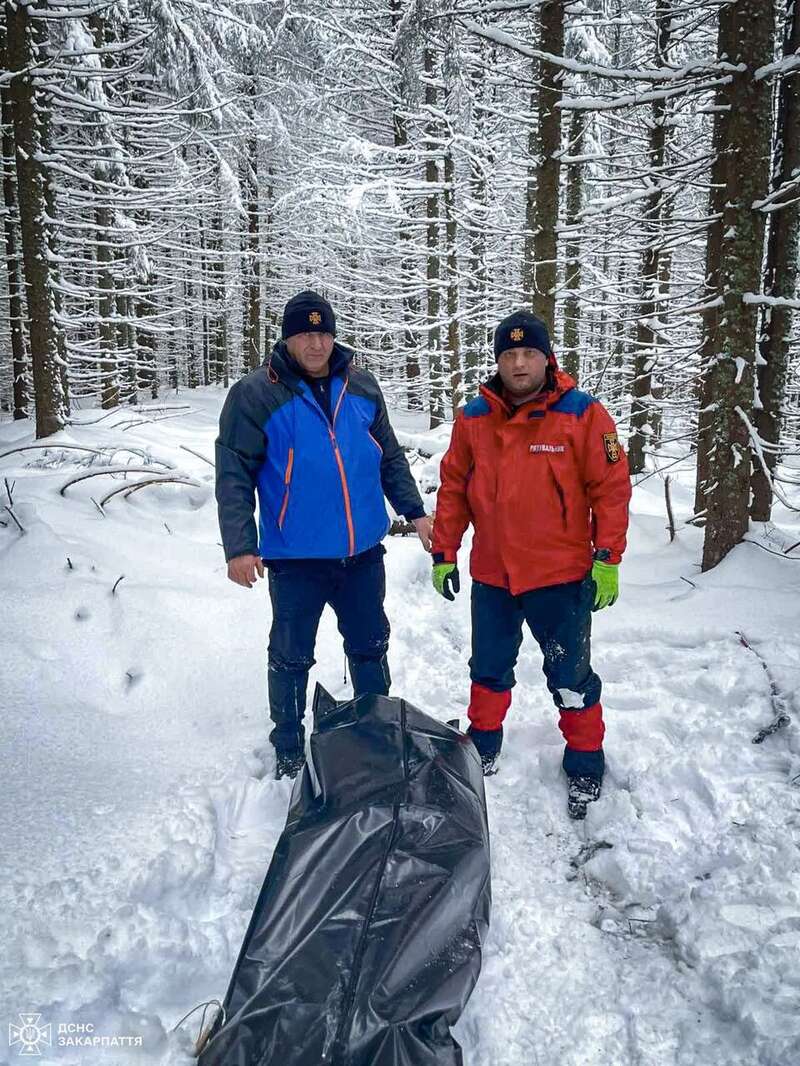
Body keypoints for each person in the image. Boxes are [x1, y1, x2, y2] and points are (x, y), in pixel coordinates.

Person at [215, 290, 432, 779]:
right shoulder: (255, 394)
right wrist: (240, 546)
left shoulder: (362, 387)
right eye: (305, 334)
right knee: (291, 654)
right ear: (288, 339)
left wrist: (416, 513)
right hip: (295, 559)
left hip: (361, 555)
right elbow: (233, 473)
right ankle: (289, 745)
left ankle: (375, 731)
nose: (315, 343)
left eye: (323, 332)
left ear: (333, 335)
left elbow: (389, 457)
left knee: (370, 644)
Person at [430, 310, 631, 818]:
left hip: (559, 578)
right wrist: (444, 551)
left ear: (547, 358)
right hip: (494, 575)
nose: (519, 363)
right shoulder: (474, 417)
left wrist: (607, 557)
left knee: (570, 674)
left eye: (529, 353)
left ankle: (585, 762)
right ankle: (484, 743)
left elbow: (610, 489)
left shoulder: (583, 414)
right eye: (509, 354)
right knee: (488, 668)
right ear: (498, 359)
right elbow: (454, 487)